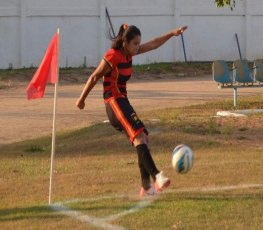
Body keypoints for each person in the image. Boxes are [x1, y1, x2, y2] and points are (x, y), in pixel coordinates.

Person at [76, 23, 188, 197]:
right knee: (137, 136)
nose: (138, 47)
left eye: (138, 44)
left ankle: (146, 187)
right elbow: (94, 76)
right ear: (125, 42)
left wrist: (172, 33)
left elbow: (154, 43)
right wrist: (81, 100)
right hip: (113, 102)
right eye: (135, 44)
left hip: (123, 101)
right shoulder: (113, 56)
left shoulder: (129, 54)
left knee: (143, 137)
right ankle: (157, 177)